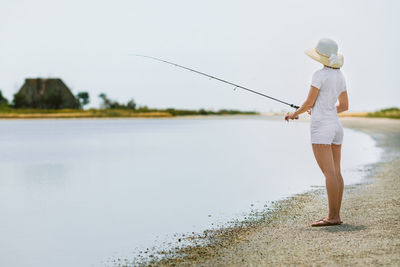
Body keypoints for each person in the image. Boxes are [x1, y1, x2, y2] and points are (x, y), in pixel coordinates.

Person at [285, 38, 349, 226]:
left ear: (321, 56)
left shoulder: (319, 75)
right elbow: (344, 106)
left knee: (329, 173)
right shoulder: (341, 76)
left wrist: (294, 114)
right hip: (336, 127)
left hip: (322, 127)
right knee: (336, 172)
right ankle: (336, 215)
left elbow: (308, 103)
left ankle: (333, 217)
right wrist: (323, 109)